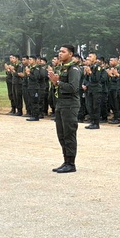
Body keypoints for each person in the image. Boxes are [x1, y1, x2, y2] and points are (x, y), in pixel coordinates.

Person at [48, 45, 82, 173]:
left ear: (71, 54)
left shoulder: (74, 69)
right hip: (61, 103)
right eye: (59, 51)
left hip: (70, 105)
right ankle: (66, 161)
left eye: (63, 52)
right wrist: (54, 82)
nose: (60, 53)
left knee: (69, 134)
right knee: (61, 135)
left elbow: (73, 87)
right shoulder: (62, 67)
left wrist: (58, 82)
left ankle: (71, 163)